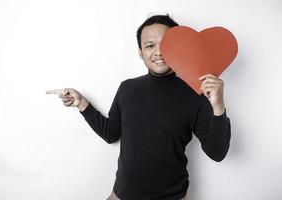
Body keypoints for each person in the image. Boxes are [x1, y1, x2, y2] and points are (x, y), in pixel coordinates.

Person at [46, 14, 231, 200]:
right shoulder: (127, 88)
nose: (158, 52)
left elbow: (217, 152)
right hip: (122, 195)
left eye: (165, 44)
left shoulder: (193, 95)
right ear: (141, 52)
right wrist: (82, 104)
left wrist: (218, 105)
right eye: (150, 45)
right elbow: (111, 134)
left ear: (178, 47)